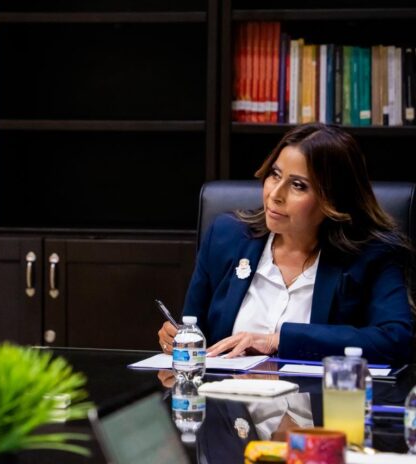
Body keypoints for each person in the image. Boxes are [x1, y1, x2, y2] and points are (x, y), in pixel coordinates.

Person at [158, 123, 413, 365]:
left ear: (333, 199)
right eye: (275, 175)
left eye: (298, 185)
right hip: (226, 394)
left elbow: (396, 339)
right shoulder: (226, 237)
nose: (275, 194)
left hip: (318, 396)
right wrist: (179, 338)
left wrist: (277, 340)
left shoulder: (371, 254)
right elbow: (195, 328)